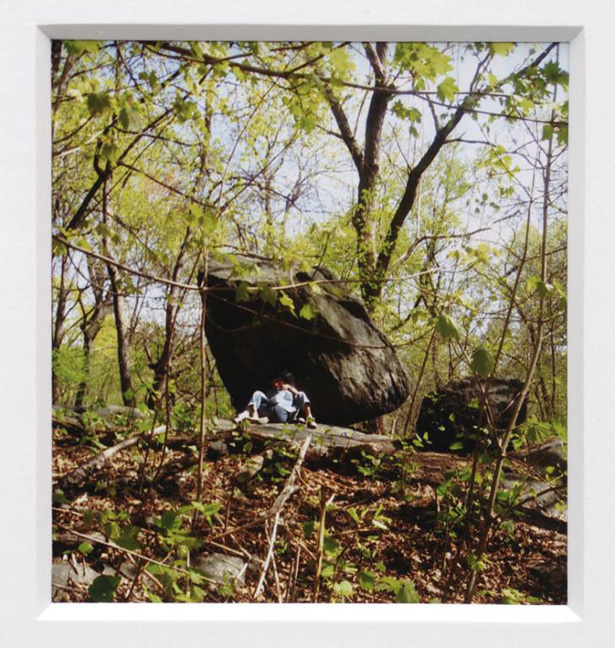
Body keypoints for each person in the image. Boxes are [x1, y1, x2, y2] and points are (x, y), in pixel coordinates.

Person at [234, 371, 317, 429]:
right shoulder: (271, 392)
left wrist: (289, 388)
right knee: (257, 393)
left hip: (284, 413)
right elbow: (264, 402)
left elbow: (299, 396)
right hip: (270, 410)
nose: (275, 385)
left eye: (277, 382)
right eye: (273, 383)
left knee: (301, 394)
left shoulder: (291, 392)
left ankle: (310, 419)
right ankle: (253, 416)